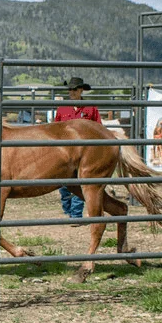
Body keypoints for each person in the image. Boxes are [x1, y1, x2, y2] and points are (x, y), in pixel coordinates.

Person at [53, 77, 102, 223]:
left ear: (81, 90)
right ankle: (68, 211)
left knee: (79, 182)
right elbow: (54, 129)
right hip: (65, 152)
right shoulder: (62, 109)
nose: (71, 92)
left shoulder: (90, 108)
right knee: (64, 185)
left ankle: (75, 215)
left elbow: (98, 127)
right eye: (70, 89)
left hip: (84, 152)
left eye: (74, 89)